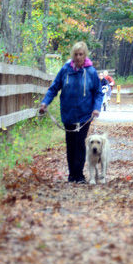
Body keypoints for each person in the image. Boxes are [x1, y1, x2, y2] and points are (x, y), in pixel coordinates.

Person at [38, 42, 102, 184]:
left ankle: (78, 175)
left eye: (81, 54)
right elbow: (54, 88)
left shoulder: (91, 72)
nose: (78, 57)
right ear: (72, 55)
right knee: (70, 144)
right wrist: (45, 102)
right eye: (76, 54)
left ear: (85, 56)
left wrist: (96, 108)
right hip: (68, 114)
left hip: (85, 115)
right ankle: (72, 175)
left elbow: (98, 93)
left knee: (80, 144)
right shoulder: (66, 70)